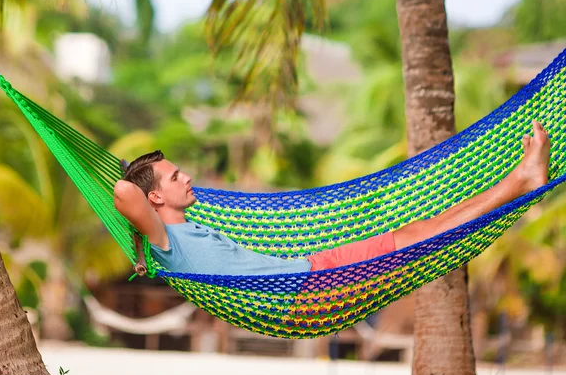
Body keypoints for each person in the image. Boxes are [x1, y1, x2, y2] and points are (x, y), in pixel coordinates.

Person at [114, 121, 550, 276]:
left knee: (417, 232)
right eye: (175, 176)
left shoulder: (175, 234)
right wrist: (126, 177)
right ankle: (519, 181)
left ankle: (518, 180)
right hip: (306, 290)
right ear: (154, 196)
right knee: (419, 237)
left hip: (313, 272)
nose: (187, 176)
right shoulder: (164, 239)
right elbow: (121, 192)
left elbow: (133, 195)